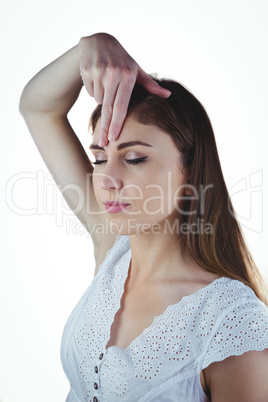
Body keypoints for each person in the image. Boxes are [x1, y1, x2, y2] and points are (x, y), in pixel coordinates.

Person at [19, 33, 268, 402]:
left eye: (134, 158)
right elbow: (36, 107)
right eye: (100, 158)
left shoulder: (230, 320)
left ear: (190, 171)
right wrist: (91, 46)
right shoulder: (114, 250)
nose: (105, 180)